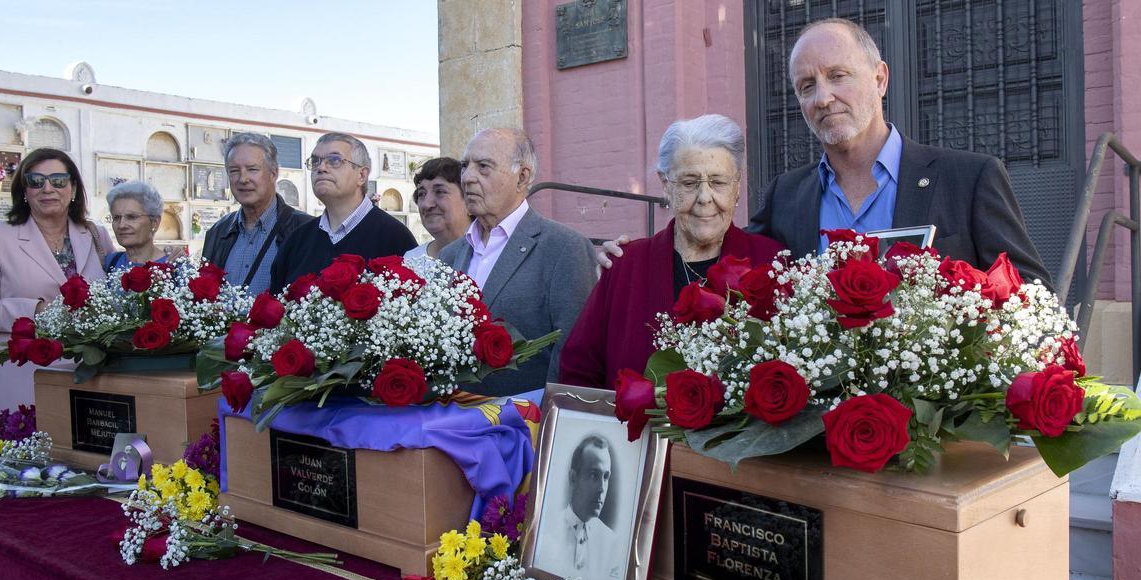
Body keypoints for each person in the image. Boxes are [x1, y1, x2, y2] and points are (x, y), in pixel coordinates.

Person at [600, 19, 1051, 287]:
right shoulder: (785, 196)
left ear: (880, 79)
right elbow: (726, 266)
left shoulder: (969, 179)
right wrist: (636, 259)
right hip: (814, 433)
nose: (823, 97)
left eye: (838, 75)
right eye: (807, 86)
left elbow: (1031, 293)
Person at [561, 115, 783, 388]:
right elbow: (578, 371)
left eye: (718, 182)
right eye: (689, 183)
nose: (704, 198)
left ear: (737, 186)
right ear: (666, 185)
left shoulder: (771, 263)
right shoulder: (624, 265)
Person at [439, 128, 597, 396]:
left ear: (522, 177)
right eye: (464, 166)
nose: (467, 178)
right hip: (449, 422)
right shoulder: (451, 254)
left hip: (523, 427)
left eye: (483, 167)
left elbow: (573, 356)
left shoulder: (564, 248)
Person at [0, 148, 114, 415]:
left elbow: (113, 295)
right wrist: (34, 311)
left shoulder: (95, 235)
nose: (47, 188)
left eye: (58, 180)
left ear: (73, 188)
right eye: (35, 181)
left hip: (88, 386)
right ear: (24, 191)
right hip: (21, 387)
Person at [268, 133, 417, 292]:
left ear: (361, 175)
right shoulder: (297, 239)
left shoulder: (395, 237)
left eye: (334, 161)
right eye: (315, 161)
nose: (321, 168)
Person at [201, 133, 313, 295]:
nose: (243, 179)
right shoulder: (218, 232)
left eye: (252, 169)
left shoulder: (305, 230)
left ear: (273, 174)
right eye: (234, 171)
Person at [538, 433, 624, 580]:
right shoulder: (545, 532)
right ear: (573, 478)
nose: (602, 488)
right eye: (593, 475)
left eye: (606, 477)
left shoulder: (613, 544)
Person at [405, 157, 470, 259]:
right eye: (421, 194)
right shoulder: (411, 259)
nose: (427, 204)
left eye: (440, 192)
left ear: (468, 199)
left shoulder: (487, 257)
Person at [103, 181, 170, 269]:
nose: (121, 225)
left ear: (154, 222)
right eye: (116, 217)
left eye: (131, 217)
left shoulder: (175, 267)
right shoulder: (110, 262)